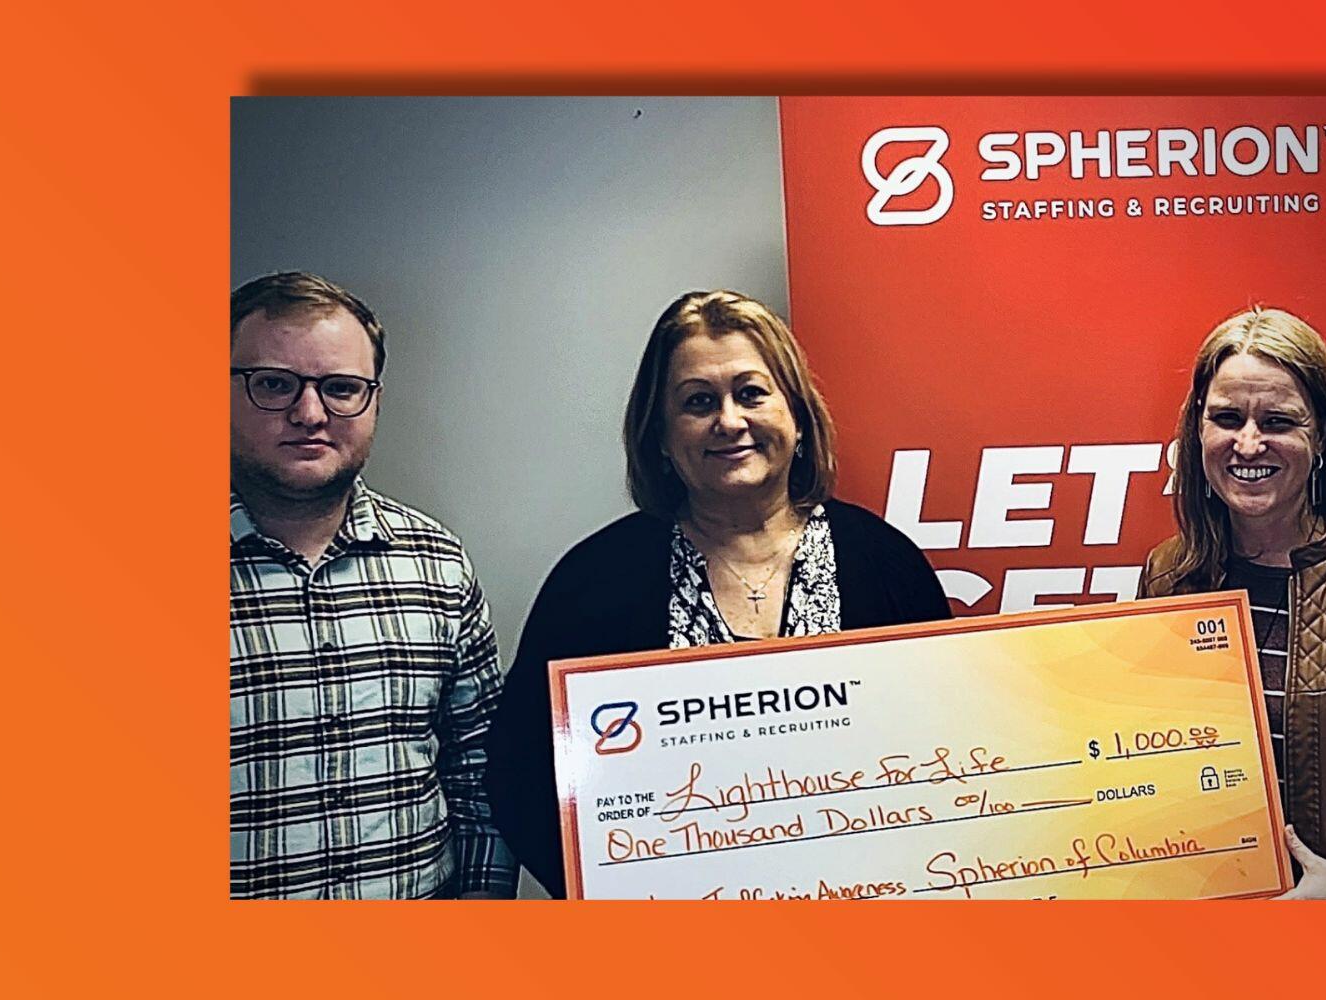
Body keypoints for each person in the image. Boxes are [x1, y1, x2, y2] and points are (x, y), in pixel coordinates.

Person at [485, 290, 952, 896]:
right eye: (698, 402)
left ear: (799, 418)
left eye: (752, 393)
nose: (729, 421)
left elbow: (946, 753)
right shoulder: (592, 582)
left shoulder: (887, 566)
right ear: (659, 434)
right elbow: (522, 777)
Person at [226, 271, 513, 899]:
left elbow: (481, 778)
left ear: (374, 398)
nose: (309, 413)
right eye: (273, 384)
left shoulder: (438, 563)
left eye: (341, 388)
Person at [1140, 306, 1326, 900]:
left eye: (1278, 420)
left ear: (1320, 436)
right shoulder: (1168, 575)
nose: (1248, 443)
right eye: (1226, 418)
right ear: (1197, 431)